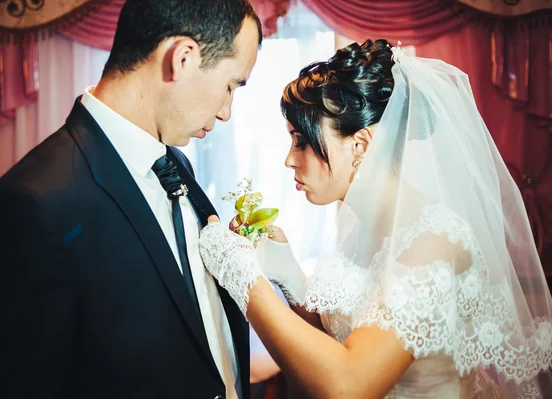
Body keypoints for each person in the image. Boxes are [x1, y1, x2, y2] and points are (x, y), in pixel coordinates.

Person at [199, 39, 552, 398]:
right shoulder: (363, 223)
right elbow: (343, 341)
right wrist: (291, 280)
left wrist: (244, 278)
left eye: (302, 141)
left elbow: (350, 385)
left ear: (361, 145)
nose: (289, 160)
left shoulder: (433, 239)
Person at [0, 0, 261, 398]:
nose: (226, 112)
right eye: (231, 85)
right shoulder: (31, 209)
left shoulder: (173, 164)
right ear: (182, 58)